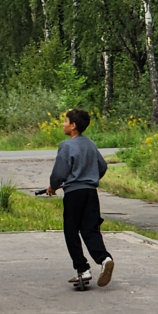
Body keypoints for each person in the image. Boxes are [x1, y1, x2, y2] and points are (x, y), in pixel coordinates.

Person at [47, 108, 113, 289]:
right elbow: (102, 166)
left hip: (74, 194)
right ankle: (105, 258)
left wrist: (53, 186)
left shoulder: (66, 146)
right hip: (91, 193)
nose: (63, 124)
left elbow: (59, 172)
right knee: (90, 229)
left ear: (73, 125)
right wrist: (91, 177)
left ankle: (83, 269)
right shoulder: (90, 144)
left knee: (71, 231)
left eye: (66, 121)